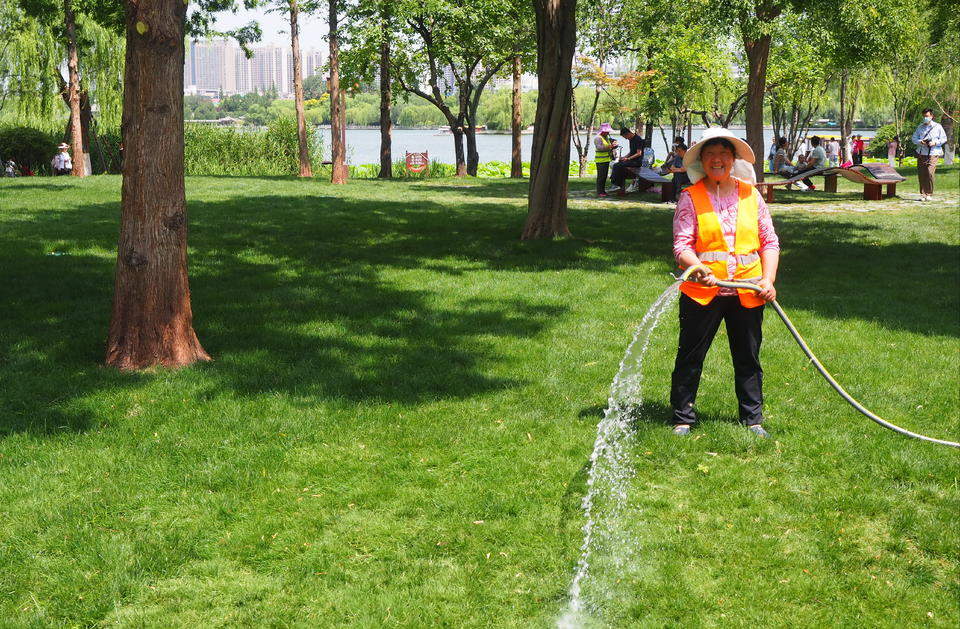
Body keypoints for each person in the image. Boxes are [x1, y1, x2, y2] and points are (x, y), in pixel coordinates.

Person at [670, 127, 780, 437]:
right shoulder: (690, 197)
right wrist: (698, 266)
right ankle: (683, 417)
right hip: (703, 292)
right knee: (691, 355)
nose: (717, 160)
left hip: (748, 291)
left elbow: (769, 241)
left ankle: (752, 419)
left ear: (732, 160)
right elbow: (682, 247)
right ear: (702, 161)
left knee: (748, 356)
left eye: (723, 155)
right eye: (710, 155)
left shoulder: (750, 193)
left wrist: (768, 279)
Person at [911, 109, 948, 201]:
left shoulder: (937, 127)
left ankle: (929, 193)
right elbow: (914, 138)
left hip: (933, 152)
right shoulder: (920, 127)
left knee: (930, 172)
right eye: (924, 116)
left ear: (932, 116)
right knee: (922, 173)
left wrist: (935, 143)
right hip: (921, 152)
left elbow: (944, 139)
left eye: (927, 116)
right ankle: (923, 194)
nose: (925, 118)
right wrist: (921, 142)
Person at [610, 127, 645, 195]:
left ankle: (616, 184)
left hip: (637, 162)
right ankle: (618, 185)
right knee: (618, 164)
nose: (625, 138)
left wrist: (628, 159)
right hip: (631, 160)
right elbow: (631, 152)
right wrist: (624, 157)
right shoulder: (631, 139)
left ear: (628, 134)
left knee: (618, 165)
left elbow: (639, 153)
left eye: (625, 137)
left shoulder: (638, 139)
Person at [594, 123, 618, 197]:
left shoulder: (606, 137)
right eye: (607, 131)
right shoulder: (598, 138)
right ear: (603, 131)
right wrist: (610, 146)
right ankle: (600, 192)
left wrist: (614, 145)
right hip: (600, 161)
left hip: (606, 159)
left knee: (604, 176)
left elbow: (608, 146)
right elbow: (600, 148)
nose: (608, 133)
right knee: (601, 176)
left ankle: (602, 191)